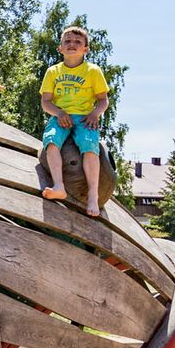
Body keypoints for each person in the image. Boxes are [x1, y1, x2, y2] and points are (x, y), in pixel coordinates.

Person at [39, 25, 110, 217]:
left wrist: (95, 114)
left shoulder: (93, 71)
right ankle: (59, 185)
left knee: (89, 146)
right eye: (67, 41)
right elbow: (45, 102)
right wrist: (59, 113)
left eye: (78, 42)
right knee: (51, 142)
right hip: (60, 115)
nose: (72, 44)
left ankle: (93, 194)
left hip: (86, 117)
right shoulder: (53, 71)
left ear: (85, 49)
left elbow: (103, 100)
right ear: (60, 48)